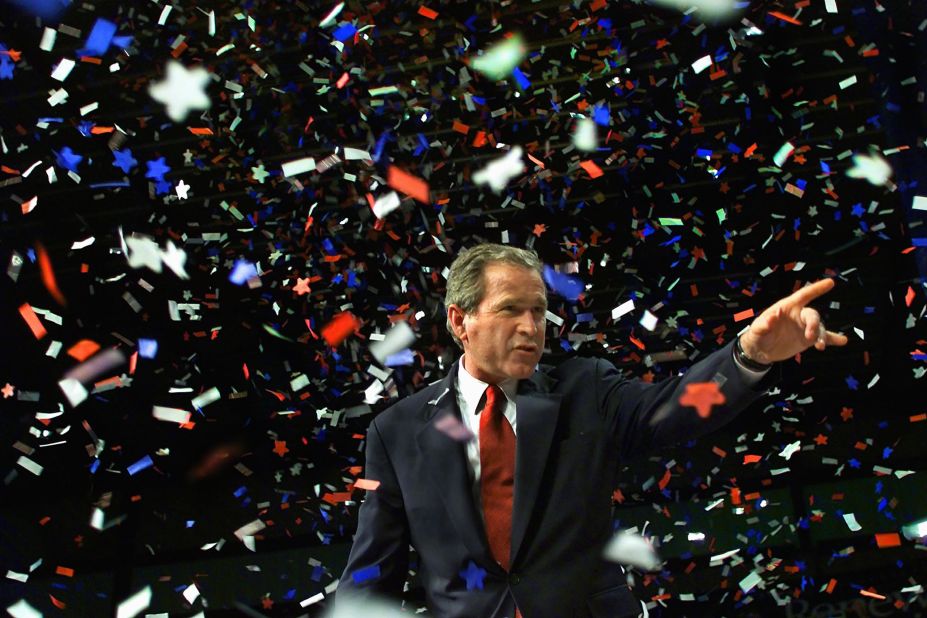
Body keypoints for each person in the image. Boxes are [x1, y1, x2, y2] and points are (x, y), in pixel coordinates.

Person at [335, 243, 847, 618]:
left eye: (538, 310)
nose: (531, 327)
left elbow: (676, 410)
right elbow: (371, 571)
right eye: (510, 309)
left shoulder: (587, 388)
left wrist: (747, 357)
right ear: (459, 320)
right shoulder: (397, 431)